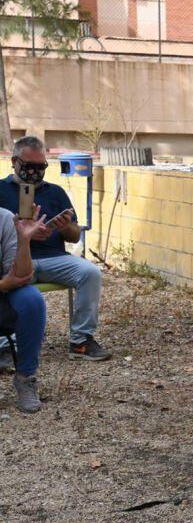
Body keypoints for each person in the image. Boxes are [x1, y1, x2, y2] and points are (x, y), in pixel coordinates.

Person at [0, 136, 111, 364]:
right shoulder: (1, 190)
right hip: (14, 260)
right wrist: (23, 237)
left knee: (90, 273)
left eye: (41, 167)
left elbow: (75, 235)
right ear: (14, 161)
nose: (35, 172)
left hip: (53, 258)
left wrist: (64, 228)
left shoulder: (56, 192)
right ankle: (7, 347)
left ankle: (81, 341)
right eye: (29, 166)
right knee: (6, 282)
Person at [0, 204, 49, 412]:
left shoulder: (4, 218)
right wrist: (3, 285)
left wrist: (24, 241)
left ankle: (25, 378)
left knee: (31, 299)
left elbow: (22, 275)